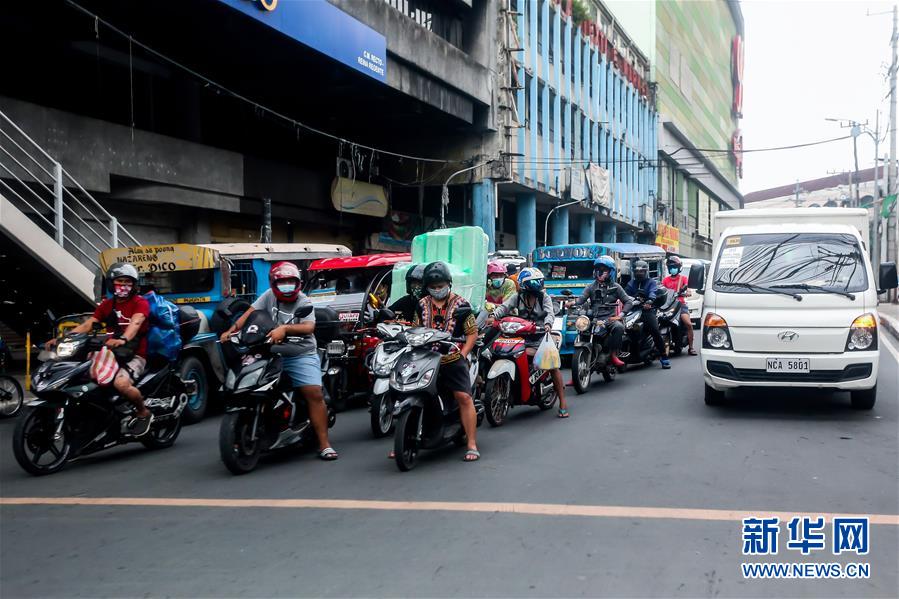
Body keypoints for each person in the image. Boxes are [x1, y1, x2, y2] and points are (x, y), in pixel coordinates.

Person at [220, 261, 339, 461]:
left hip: (300, 353)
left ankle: (324, 444)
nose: (287, 287)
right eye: (282, 283)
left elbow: (308, 327)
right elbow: (249, 314)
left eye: (291, 282)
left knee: (313, 393)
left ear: (298, 283)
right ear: (273, 284)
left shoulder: (303, 301)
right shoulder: (268, 296)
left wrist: (284, 329)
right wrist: (231, 331)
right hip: (270, 351)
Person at [46, 263, 154, 435]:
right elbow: (88, 325)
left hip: (134, 355)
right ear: (112, 284)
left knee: (121, 384)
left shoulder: (140, 303)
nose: (124, 285)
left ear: (134, 285)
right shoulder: (107, 305)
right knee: (80, 376)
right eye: (120, 281)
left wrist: (123, 338)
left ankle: (143, 412)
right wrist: (61, 339)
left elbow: (136, 323)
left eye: (128, 282)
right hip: (109, 353)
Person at [415, 261, 481, 462]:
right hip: (425, 359)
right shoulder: (421, 304)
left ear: (448, 284)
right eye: (433, 287)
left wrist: (463, 354)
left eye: (440, 286)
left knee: (464, 397)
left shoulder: (462, 305)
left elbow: (472, 333)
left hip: (452, 358)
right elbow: (415, 328)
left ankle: (471, 444)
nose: (437, 290)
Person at [490, 267, 570, 418]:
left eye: (539, 282)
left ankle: (562, 402)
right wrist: (493, 315)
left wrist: (548, 324)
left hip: (540, 336)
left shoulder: (544, 297)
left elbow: (550, 313)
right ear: (524, 284)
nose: (537, 285)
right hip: (521, 336)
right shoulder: (517, 297)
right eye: (533, 282)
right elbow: (504, 307)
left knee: (552, 366)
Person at [570, 256, 633, 368]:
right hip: (593, 319)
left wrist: (620, 315)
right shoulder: (591, 287)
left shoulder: (616, 287)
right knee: (581, 329)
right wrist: (571, 303)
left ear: (611, 272)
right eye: (598, 269)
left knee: (619, 327)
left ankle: (613, 354)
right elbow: (581, 299)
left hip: (609, 319)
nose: (600, 272)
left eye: (604, 270)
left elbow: (628, 302)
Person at [625, 260, 670, 369]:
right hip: (632, 311)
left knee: (655, 330)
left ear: (646, 272)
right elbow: (625, 294)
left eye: (641, 271)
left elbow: (653, 292)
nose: (639, 273)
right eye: (637, 271)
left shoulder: (651, 282)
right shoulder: (631, 283)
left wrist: (649, 301)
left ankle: (663, 356)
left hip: (646, 311)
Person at [661, 256, 696, 355]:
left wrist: (686, 293)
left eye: (674, 267)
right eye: (671, 267)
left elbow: (688, 290)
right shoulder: (665, 280)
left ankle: (691, 347)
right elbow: (662, 291)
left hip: (680, 305)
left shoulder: (683, 279)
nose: (672, 269)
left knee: (688, 324)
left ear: (679, 267)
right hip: (668, 306)